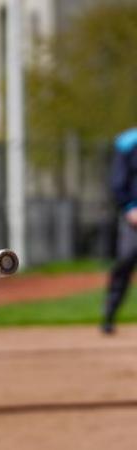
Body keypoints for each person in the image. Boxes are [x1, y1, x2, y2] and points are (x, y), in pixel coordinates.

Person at [103, 127, 137, 334]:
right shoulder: (128, 142)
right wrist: (129, 208)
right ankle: (109, 313)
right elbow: (118, 181)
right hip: (133, 217)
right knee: (126, 260)